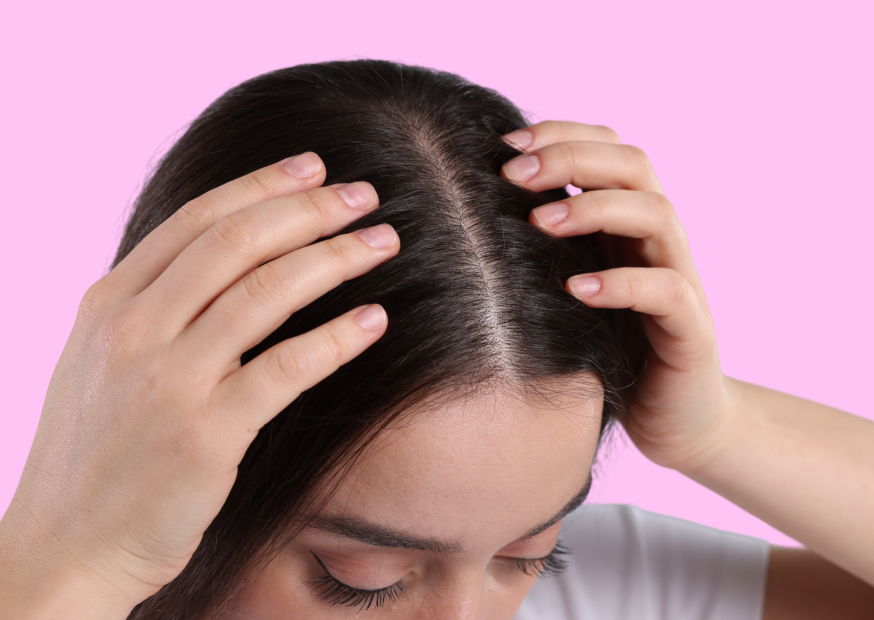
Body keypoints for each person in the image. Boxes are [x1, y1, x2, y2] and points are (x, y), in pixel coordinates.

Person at [0, 59, 872, 620]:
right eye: (363, 578)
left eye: (532, 555)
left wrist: (720, 429)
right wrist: (70, 566)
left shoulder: (606, 591)